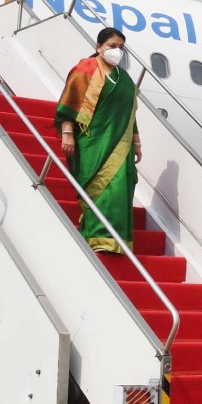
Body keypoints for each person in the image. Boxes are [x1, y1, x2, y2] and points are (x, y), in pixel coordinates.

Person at [55, 27, 142, 254]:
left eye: (121, 48)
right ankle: (96, 238)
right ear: (99, 47)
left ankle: (116, 241)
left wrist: (137, 143)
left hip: (120, 145)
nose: (117, 51)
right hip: (92, 142)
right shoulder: (86, 69)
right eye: (112, 46)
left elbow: (130, 113)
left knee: (120, 190)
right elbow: (69, 103)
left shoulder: (124, 79)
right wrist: (67, 132)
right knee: (100, 189)